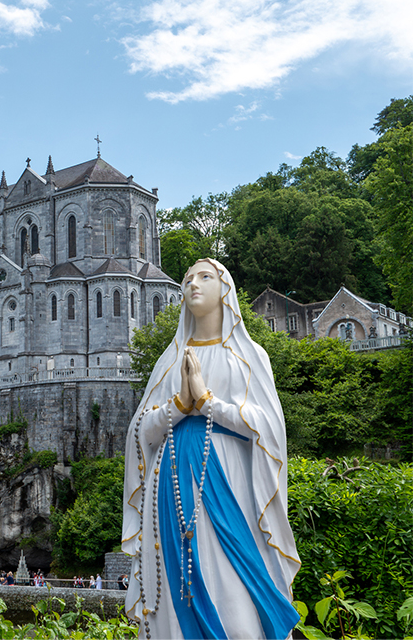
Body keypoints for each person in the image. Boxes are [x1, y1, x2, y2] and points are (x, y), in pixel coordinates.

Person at [122, 259, 300, 640]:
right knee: (172, 605)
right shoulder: (169, 361)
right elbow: (139, 432)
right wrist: (179, 406)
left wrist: (207, 402)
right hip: (169, 489)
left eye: (205, 277)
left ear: (226, 290)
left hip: (230, 486)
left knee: (240, 617)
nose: (192, 285)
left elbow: (268, 426)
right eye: (187, 280)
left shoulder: (248, 357)